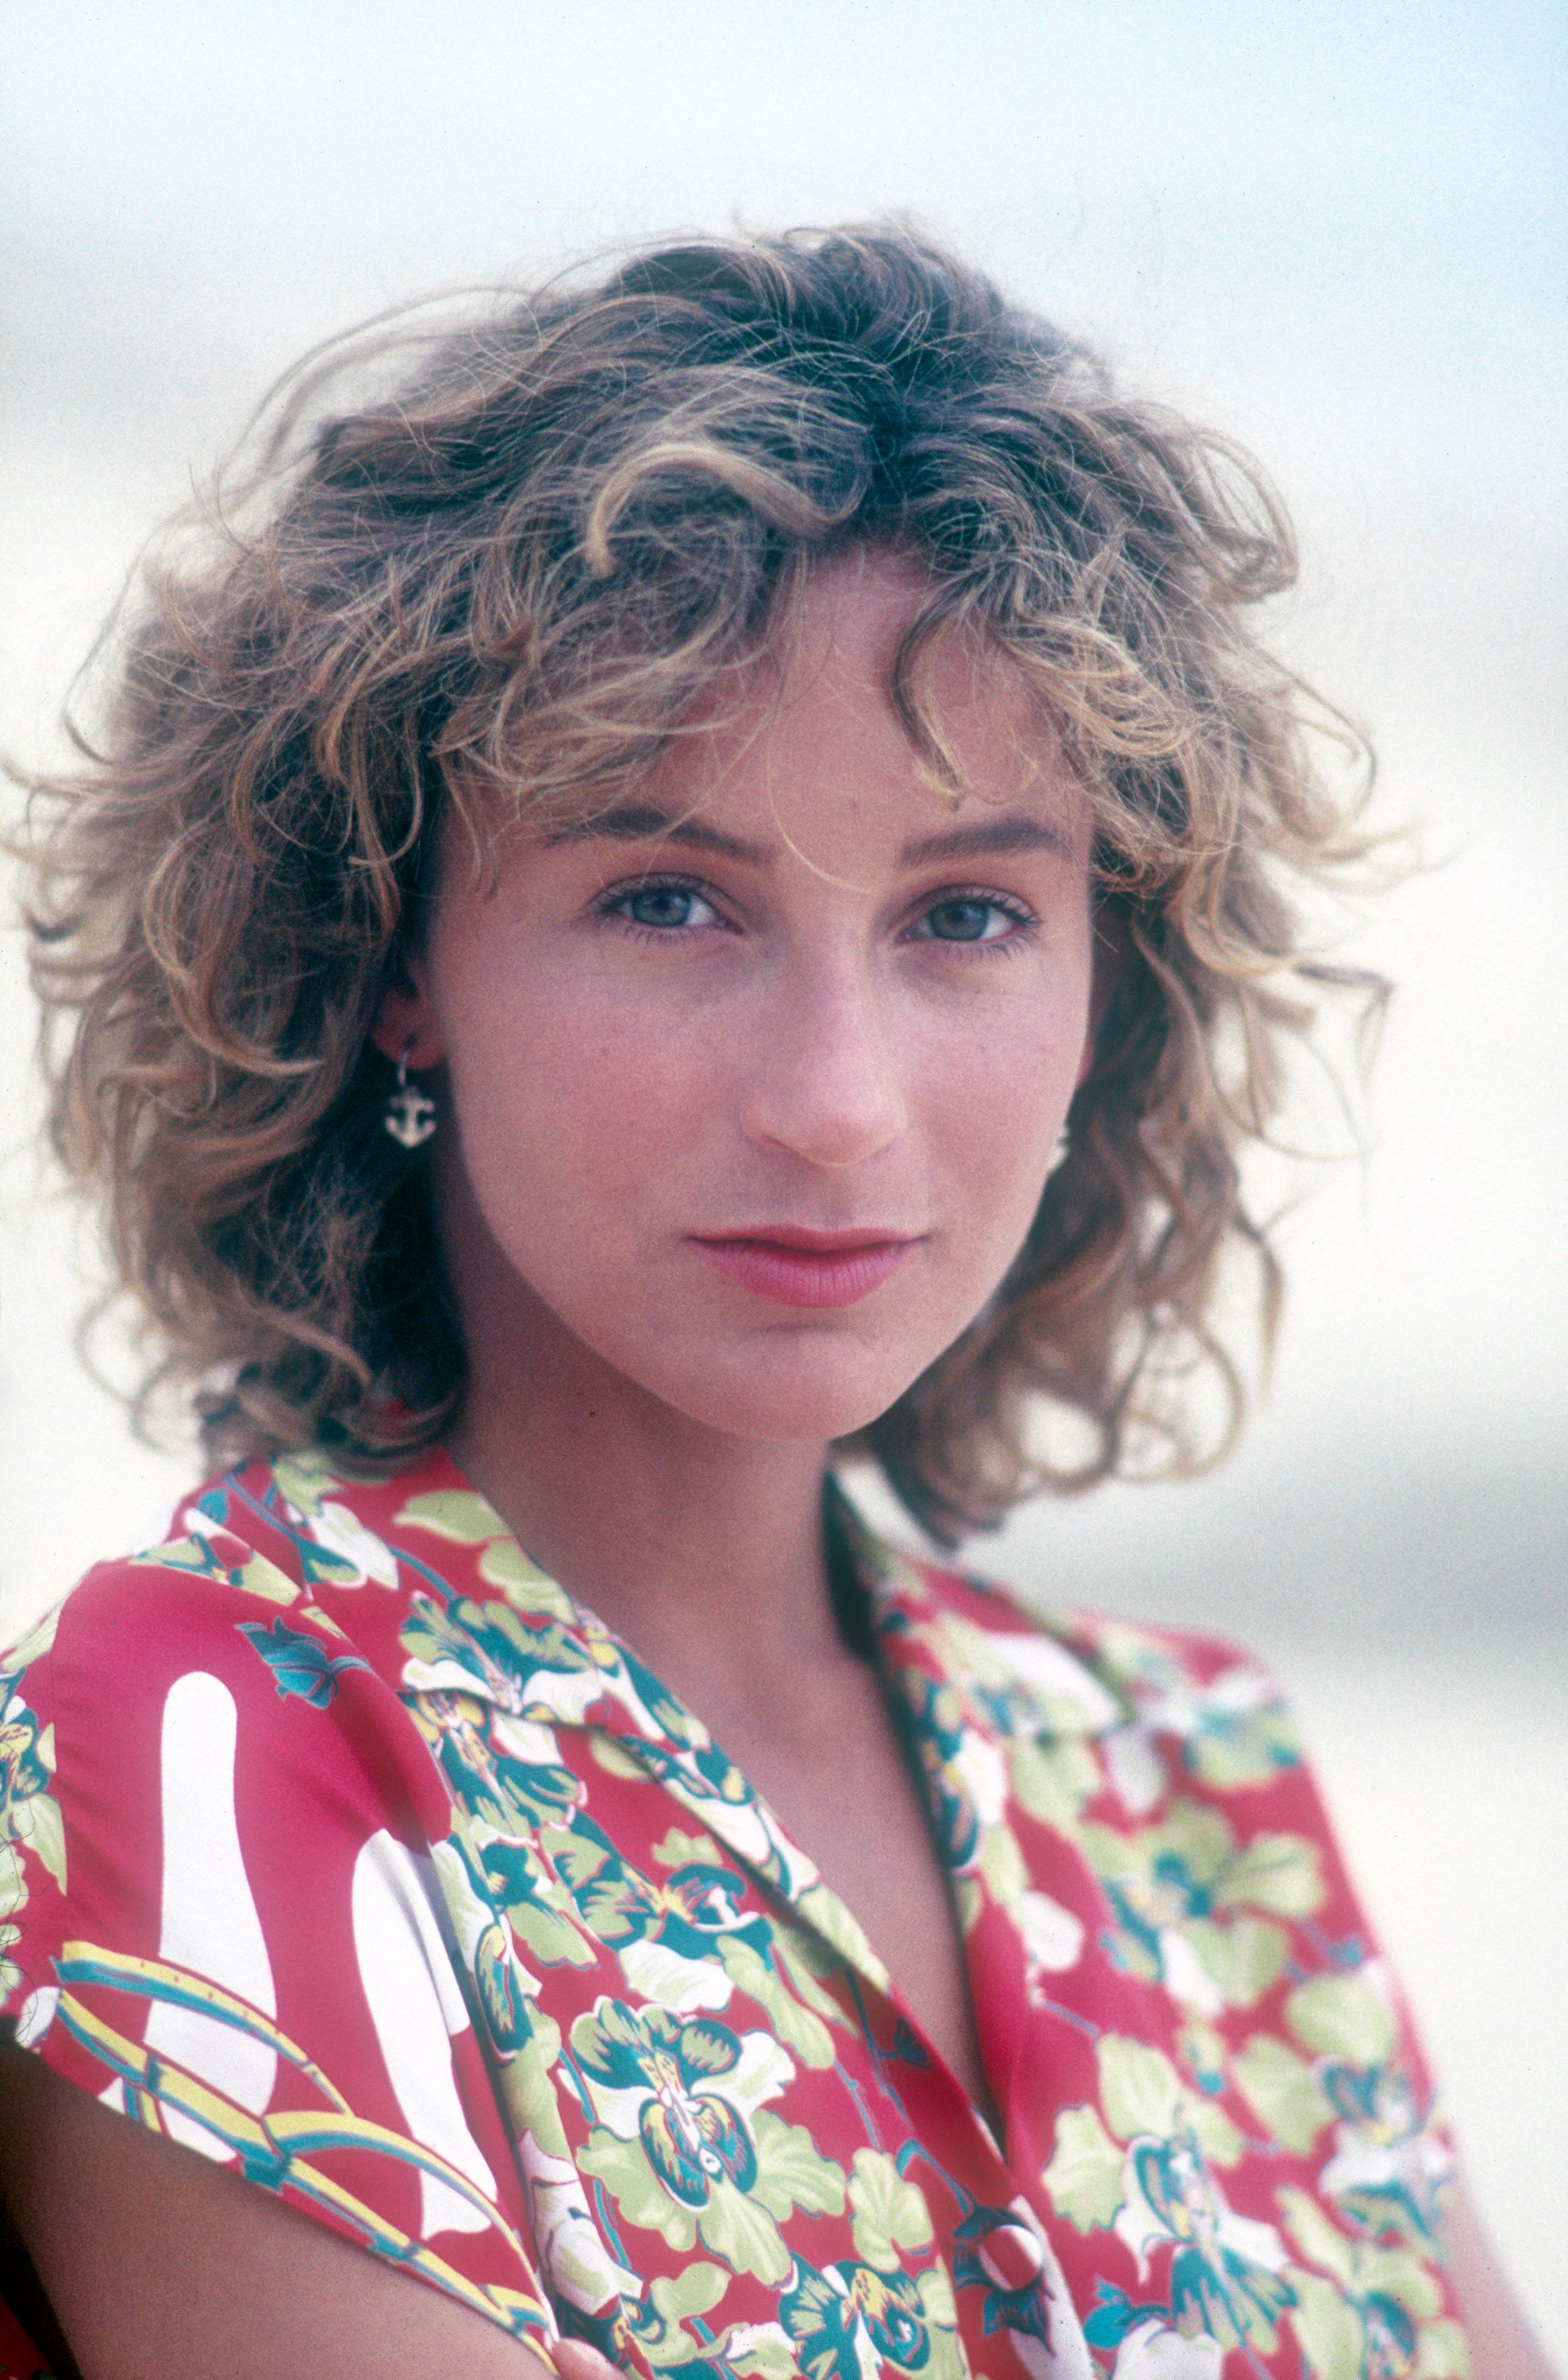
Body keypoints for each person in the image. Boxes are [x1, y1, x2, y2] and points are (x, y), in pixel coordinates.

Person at [0, 227, 1546, 2380]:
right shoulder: (202, 1739)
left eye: (969, 915)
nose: (837, 1103)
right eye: (666, 897)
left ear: (1116, 987)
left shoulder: (1199, 1788)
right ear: (397, 968)